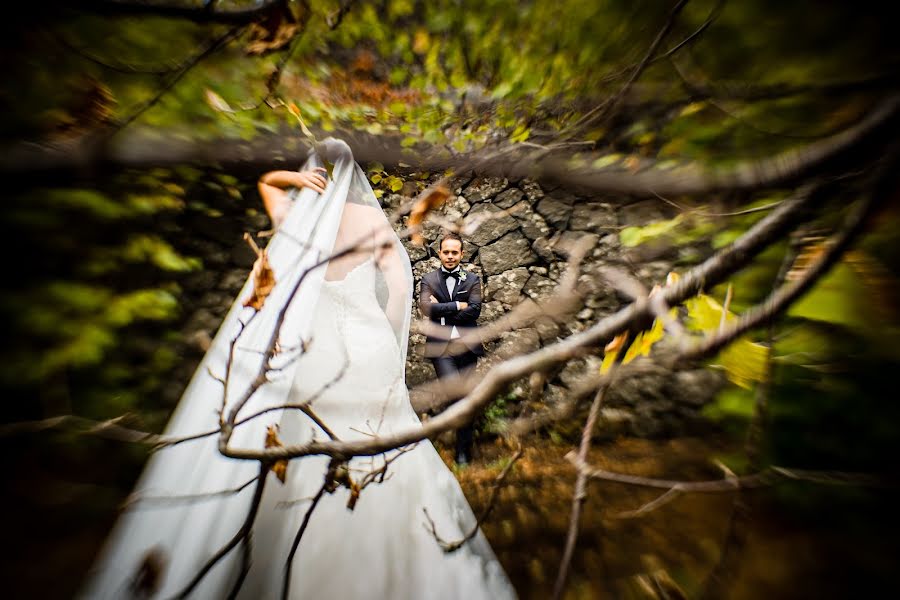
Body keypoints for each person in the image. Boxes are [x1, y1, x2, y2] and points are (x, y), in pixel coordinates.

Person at [78, 138, 516, 599]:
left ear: (314, 169)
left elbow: (267, 183)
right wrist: (388, 334)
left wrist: (293, 180)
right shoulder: (369, 219)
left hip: (311, 356)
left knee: (302, 437)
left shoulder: (296, 219)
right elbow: (400, 279)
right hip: (367, 349)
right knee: (379, 437)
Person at [419, 232, 484, 465]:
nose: (449, 256)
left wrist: (443, 310)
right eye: (446, 252)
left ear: (461, 254)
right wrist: (457, 305)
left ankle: (463, 451)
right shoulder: (429, 279)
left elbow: (475, 310)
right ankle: (451, 438)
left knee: (465, 398)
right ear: (439, 253)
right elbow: (426, 309)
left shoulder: (472, 279)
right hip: (441, 349)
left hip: (467, 346)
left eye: (454, 252)